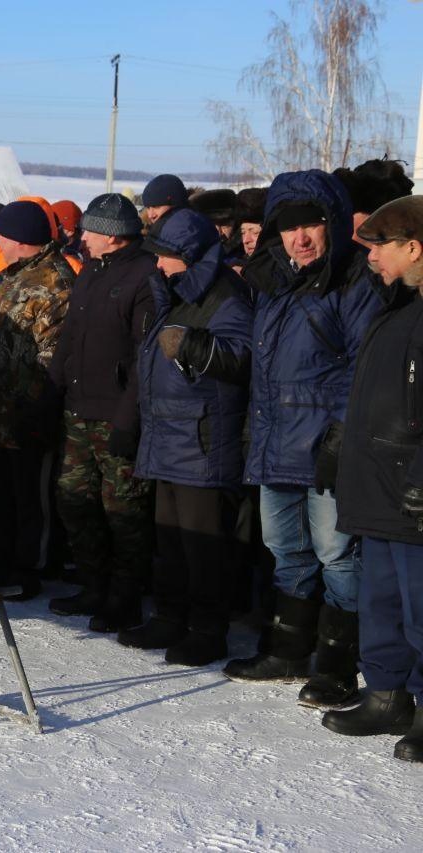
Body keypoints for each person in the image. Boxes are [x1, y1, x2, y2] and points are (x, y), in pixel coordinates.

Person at [224, 170, 385, 710]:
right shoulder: (272, 281)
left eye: (311, 223)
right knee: (284, 550)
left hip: (325, 445)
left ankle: (337, 667)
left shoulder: (354, 280)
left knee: (337, 555)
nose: (301, 237)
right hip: (275, 443)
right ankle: (288, 650)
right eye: (289, 226)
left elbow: (367, 365)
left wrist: (342, 438)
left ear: (333, 223)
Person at [124, 208, 253, 665]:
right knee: (171, 541)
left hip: (203, 441)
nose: (157, 266)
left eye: (165, 257)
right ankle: (169, 616)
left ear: (190, 255)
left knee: (204, 548)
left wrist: (193, 345)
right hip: (169, 436)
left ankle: (207, 629)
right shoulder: (178, 294)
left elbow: (240, 356)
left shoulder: (224, 296)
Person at [322, 194, 423, 761]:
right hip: (379, 481)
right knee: (380, 601)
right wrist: (341, 446)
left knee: (422, 606)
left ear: (414, 247)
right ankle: (386, 696)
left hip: (414, 488)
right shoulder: (395, 308)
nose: (371, 258)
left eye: (381, 246)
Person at [46, 194, 156, 630]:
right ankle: (93, 585)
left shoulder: (144, 276)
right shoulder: (92, 270)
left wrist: (128, 420)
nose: (82, 237)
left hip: (117, 415)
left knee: (123, 510)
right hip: (78, 410)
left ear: (111, 236)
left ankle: (124, 598)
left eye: (89, 231)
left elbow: (142, 356)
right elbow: (70, 338)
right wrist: (52, 392)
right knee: (75, 501)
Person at [0, 201, 75, 594]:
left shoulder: (53, 282)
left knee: (28, 496)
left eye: (0, 237)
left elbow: (51, 353)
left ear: (18, 238)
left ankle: (29, 566)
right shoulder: (12, 276)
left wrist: (35, 409)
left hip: (22, 414)